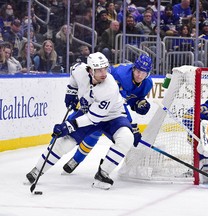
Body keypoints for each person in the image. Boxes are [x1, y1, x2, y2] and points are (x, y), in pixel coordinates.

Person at [26, 52, 135, 190]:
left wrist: (68, 125)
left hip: (113, 117)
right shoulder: (79, 70)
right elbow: (73, 74)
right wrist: (71, 91)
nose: (103, 73)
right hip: (88, 112)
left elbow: (93, 119)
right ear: (90, 70)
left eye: (105, 69)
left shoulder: (110, 87)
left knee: (126, 138)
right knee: (65, 142)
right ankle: (37, 170)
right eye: (99, 70)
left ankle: (103, 173)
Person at [62, 54, 153, 174]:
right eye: (138, 71)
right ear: (133, 68)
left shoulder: (147, 84)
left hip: (112, 109)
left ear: (148, 73)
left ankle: (103, 164)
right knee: (90, 130)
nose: (140, 75)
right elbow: (118, 102)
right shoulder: (120, 75)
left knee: (120, 139)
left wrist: (139, 104)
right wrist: (131, 125)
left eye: (144, 73)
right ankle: (73, 158)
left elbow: (132, 99)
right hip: (98, 101)